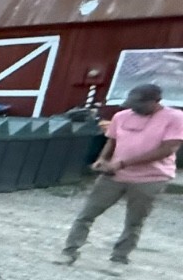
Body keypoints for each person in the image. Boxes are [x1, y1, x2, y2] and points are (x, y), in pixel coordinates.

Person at [59, 84, 183, 266]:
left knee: (134, 221)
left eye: (138, 104)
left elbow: (167, 149)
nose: (132, 108)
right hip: (114, 174)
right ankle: (69, 251)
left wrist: (123, 163)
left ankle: (119, 258)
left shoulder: (175, 118)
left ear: (155, 101)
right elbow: (112, 140)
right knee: (87, 214)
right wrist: (102, 159)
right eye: (130, 103)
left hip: (151, 178)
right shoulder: (121, 116)